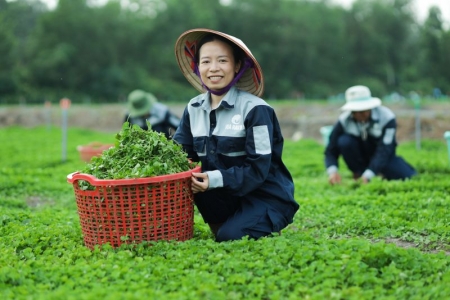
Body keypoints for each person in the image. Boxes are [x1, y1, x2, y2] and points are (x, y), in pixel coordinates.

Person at [173, 28, 299, 242]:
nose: (213, 68)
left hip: (265, 195)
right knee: (197, 183)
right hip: (225, 193)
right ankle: (229, 227)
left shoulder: (255, 110)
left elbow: (258, 169)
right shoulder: (193, 107)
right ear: (197, 67)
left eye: (222, 61)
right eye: (205, 62)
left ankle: (263, 222)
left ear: (237, 65)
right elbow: (179, 154)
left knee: (231, 237)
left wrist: (213, 178)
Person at [325, 85, 417, 185]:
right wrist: (332, 171)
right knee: (344, 141)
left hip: (382, 156)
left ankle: (375, 173)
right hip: (359, 157)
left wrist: (369, 174)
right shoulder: (344, 121)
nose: (360, 115)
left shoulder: (386, 118)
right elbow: (331, 149)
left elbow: (385, 149)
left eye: (363, 111)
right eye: (356, 112)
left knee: (407, 175)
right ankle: (358, 173)